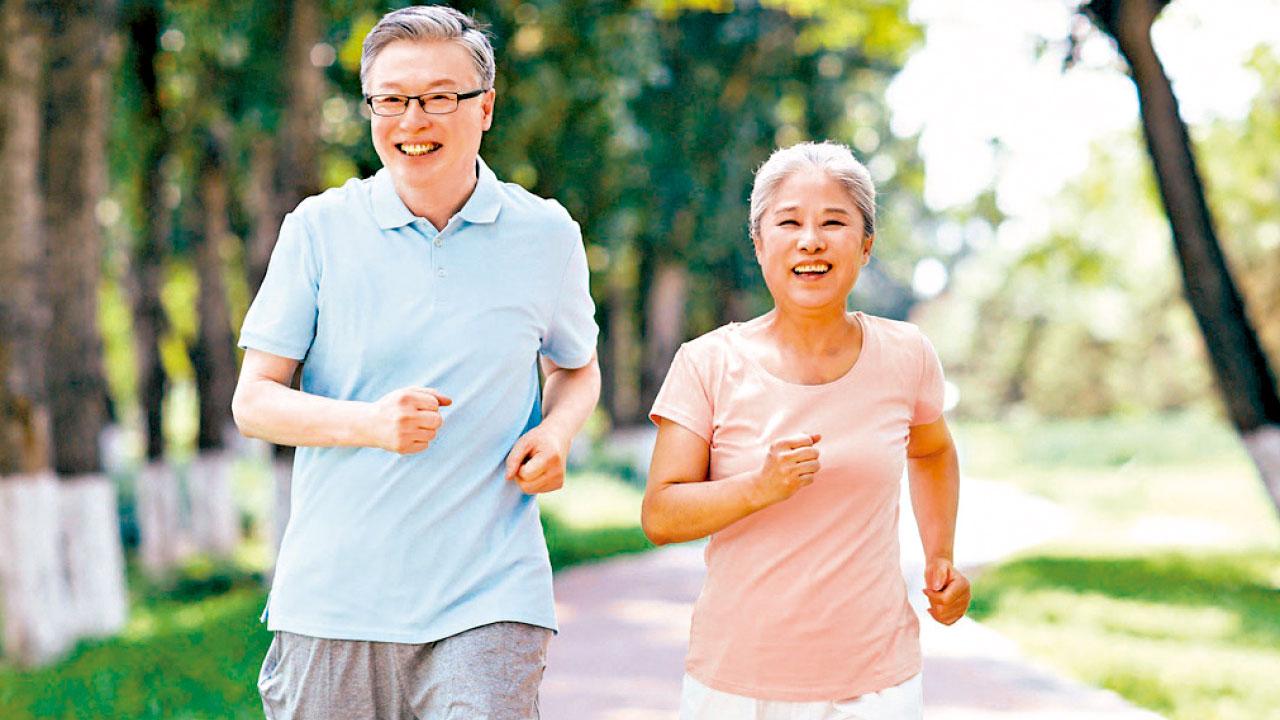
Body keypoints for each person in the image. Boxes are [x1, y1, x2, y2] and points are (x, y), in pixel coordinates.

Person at [231, 6, 600, 718]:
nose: (412, 120)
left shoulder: (545, 234)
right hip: (334, 600)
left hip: (489, 592)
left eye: (438, 98)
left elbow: (576, 367)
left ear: (485, 107)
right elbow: (255, 401)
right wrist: (370, 424)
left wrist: (556, 435)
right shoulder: (318, 230)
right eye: (392, 100)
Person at [642, 141, 970, 719]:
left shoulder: (906, 355)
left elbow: (934, 451)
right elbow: (661, 515)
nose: (811, 240)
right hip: (739, 685)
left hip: (877, 682)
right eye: (788, 222)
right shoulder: (708, 363)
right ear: (760, 243)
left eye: (834, 222)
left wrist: (940, 556)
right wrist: (759, 487)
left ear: (866, 245)